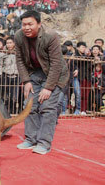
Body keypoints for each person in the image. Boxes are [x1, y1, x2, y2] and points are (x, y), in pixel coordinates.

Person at [15, 10, 69, 155]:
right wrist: (26, 81)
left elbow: (56, 63)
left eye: (30, 24)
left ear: (39, 24)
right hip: (35, 73)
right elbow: (19, 60)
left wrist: (49, 87)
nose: (26, 27)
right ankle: (31, 139)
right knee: (30, 104)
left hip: (55, 74)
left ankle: (44, 143)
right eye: (24, 24)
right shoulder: (19, 36)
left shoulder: (50, 36)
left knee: (47, 107)